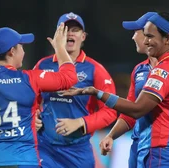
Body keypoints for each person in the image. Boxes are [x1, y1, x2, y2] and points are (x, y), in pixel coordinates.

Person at [62, 12, 169, 167]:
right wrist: (112, 135)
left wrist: (98, 93)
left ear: (167, 38)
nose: (139, 38)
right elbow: (130, 111)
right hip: (145, 146)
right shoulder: (141, 70)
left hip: (164, 150)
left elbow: (138, 109)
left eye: (145, 34)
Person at [0, 23, 78, 168]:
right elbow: (69, 78)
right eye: (21, 46)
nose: (23, 51)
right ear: (12, 51)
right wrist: (60, 48)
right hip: (22, 160)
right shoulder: (29, 79)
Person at [33, 12, 117, 168]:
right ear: (58, 35)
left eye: (75, 30)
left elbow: (111, 111)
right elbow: (30, 100)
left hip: (78, 151)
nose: (70, 33)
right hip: (45, 149)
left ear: (83, 36)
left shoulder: (95, 70)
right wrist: (33, 116)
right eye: (66, 29)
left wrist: (81, 122)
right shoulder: (42, 66)